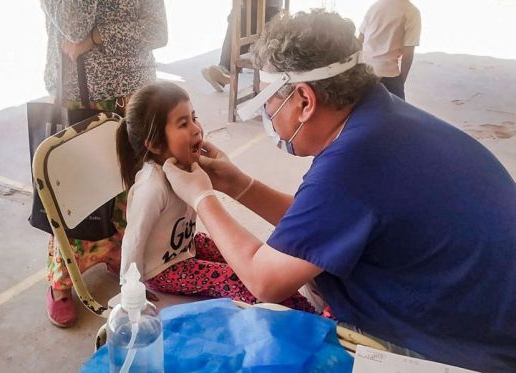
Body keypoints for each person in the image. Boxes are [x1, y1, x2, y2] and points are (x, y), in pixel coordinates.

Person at [162, 10, 516, 372]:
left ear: (303, 100)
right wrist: (237, 185)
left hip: (465, 349)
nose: (266, 114)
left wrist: (201, 198)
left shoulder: (354, 163)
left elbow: (263, 279)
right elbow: (321, 227)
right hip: (483, 315)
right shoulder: (381, 119)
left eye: (267, 101)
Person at [115, 81, 314, 313]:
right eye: (182, 124)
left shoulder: (187, 168)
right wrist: (131, 286)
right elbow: (133, 239)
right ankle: (305, 316)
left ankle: (301, 308)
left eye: (193, 117)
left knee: (252, 258)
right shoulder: (152, 186)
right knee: (236, 279)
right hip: (164, 269)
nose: (196, 129)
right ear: (155, 144)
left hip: (186, 247)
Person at [40, 0, 167, 328]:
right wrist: (93, 34)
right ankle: (62, 279)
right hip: (81, 93)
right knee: (75, 192)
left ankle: (124, 259)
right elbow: (74, 24)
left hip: (136, 93)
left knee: (134, 190)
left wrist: (98, 37)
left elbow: (158, 31)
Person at [201, 0, 283, 92]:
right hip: (258, 14)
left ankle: (225, 69)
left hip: (269, 17)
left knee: (241, 15)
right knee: (240, 14)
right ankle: (224, 70)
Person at [358, 0, 421, 99]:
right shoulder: (411, 12)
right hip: (387, 74)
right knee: (396, 111)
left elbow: (359, 41)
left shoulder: (375, 6)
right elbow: (408, 54)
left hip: (364, 71)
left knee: (361, 110)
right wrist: (401, 82)